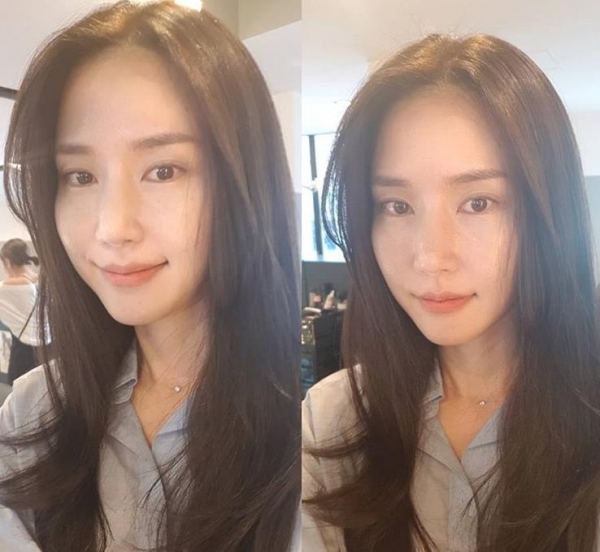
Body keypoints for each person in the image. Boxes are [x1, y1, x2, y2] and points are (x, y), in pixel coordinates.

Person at [0, 2, 299, 551]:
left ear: (244, 182)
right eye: (80, 175)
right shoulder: (35, 412)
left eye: (164, 170)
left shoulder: (309, 430)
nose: (113, 227)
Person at [302, 34, 600, 552]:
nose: (431, 257)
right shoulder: (333, 419)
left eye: (478, 202)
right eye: (396, 206)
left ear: (547, 211)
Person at [0, 239, 41, 384]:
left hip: (24, 353)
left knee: (20, 390)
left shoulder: (7, 288)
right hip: (48, 350)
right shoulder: (42, 281)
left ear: (8, 262)